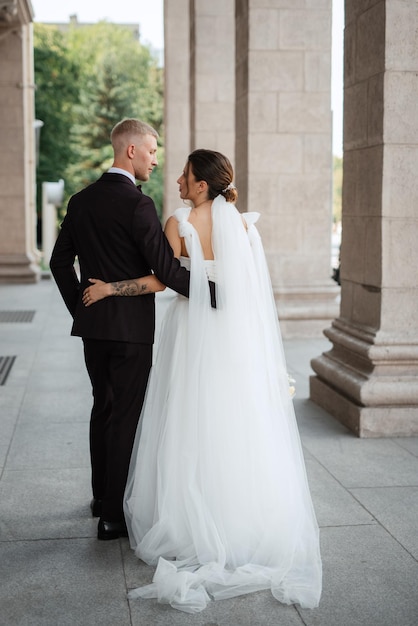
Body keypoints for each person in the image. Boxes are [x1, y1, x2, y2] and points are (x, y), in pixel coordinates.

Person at [83, 149, 322, 612]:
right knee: (232, 417)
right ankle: (237, 516)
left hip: (191, 329)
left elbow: (163, 279)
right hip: (232, 335)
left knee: (185, 414)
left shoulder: (179, 221)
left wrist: (112, 287)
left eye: (185, 175)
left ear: (200, 184)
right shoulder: (245, 227)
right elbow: (253, 294)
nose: (177, 179)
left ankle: (186, 519)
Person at [49, 118, 192, 541]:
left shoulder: (80, 201)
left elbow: (59, 263)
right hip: (131, 331)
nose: (154, 158)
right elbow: (164, 269)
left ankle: (100, 495)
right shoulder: (138, 205)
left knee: (103, 406)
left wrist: (81, 306)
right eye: (151, 150)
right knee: (125, 415)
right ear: (130, 150)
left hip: (94, 329)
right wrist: (210, 291)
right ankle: (113, 514)